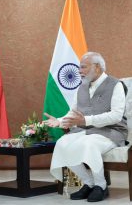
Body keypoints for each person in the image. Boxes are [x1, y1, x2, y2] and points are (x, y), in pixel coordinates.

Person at [45, 52, 127, 202]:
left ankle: (101, 186)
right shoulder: (81, 87)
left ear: (97, 67)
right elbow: (73, 113)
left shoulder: (115, 85)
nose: (79, 71)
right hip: (85, 131)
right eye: (79, 67)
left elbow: (116, 115)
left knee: (88, 144)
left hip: (111, 131)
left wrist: (86, 120)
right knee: (63, 144)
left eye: (83, 67)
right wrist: (59, 120)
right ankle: (89, 183)